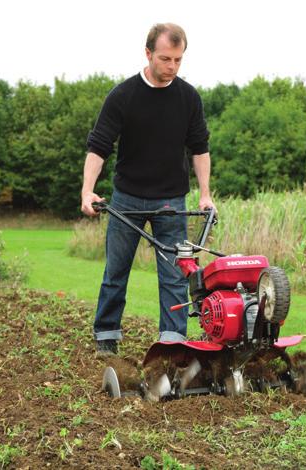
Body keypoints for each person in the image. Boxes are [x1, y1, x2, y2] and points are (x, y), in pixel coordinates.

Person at [81, 23, 214, 358]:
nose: (171, 66)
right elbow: (99, 147)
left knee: (174, 274)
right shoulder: (123, 96)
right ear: (148, 53)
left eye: (178, 60)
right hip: (127, 199)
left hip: (171, 201)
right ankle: (107, 335)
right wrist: (87, 191)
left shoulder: (188, 98)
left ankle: (171, 342)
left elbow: (199, 148)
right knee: (116, 270)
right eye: (165, 58)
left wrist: (205, 194)